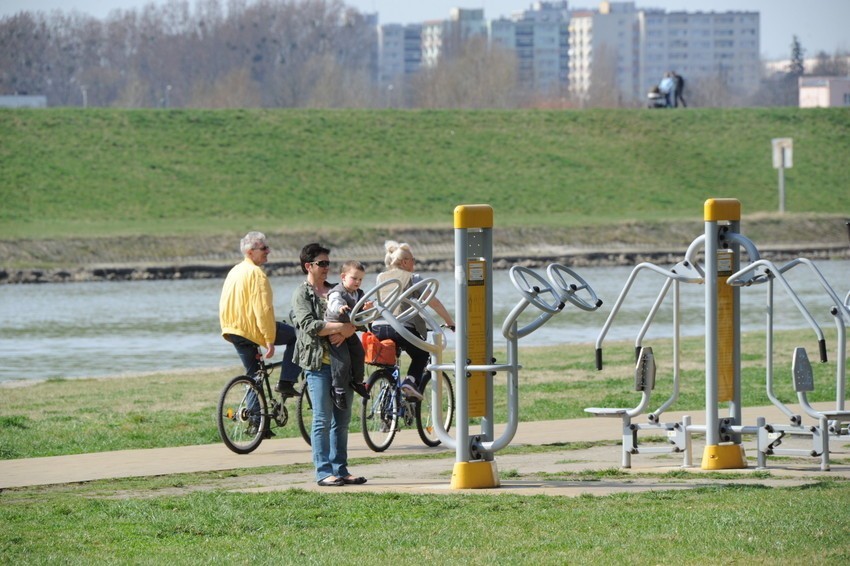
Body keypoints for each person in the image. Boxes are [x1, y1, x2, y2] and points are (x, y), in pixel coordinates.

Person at [291, 243, 367, 487]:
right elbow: (309, 325)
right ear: (308, 266)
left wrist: (347, 331)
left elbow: (359, 321)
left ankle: (341, 469)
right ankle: (323, 472)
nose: (326, 268)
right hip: (317, 365)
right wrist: (340, 328)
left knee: (342, 421)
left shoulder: (339, 290)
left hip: (341, 366)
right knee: (322, 419)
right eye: (321, 264)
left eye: (328, 264)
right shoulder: (302, 294)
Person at [219, 232, 300, 401]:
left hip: (233, 329)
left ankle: (258, 424)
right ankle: (287, 381)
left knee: (254, 376)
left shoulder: (235, 270)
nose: (268, 251)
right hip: (250, 328)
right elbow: (262, 309)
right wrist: (269, 339)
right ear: (250, 252)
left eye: (267, 247)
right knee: (298, 337)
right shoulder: (256, 273)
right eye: (264, 248)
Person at [372, 240, 455, 400]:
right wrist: (450, 322)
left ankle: (388, 400)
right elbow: (434, 302)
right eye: (413, 260)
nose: (414, 263)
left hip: (378, 326)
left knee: (390, 360)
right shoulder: (414, 278)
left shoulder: (381, 277)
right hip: (401, 327)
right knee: (421, 355)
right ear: (404, 262)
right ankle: (410, 382)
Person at [324, 260, 371, 410]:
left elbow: (362, 314)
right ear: (343, 276)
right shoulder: (337, 292)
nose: (357, 282)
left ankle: (357, 381)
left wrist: (367, 308)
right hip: (334, 329)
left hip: (349, 329)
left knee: (359, 352)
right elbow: (334, 303)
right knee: (342, 359)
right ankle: (338, 389)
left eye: (360, 279)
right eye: (354, 278)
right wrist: (340, 307)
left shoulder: (359, 294)